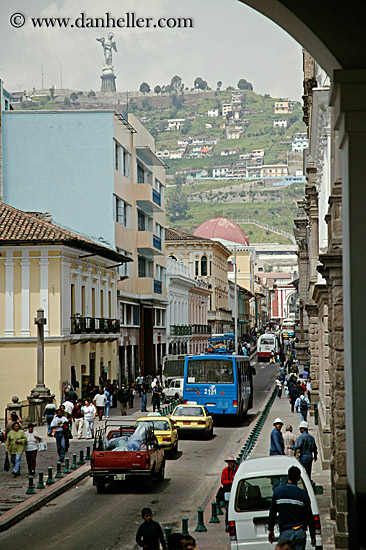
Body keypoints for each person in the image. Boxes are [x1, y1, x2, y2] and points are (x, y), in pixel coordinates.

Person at [268, 465, 315, 549]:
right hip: (299, 532)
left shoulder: (278, 492)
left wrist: (270, 530)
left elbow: (273, 513)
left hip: (285, 532)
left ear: (288, 476)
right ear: (299, 479)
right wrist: (313, 536)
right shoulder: (303, 495)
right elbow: (309, 516)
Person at [221, 454, 238, 531]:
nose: (230, 464)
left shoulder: (237, 469)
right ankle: (227, 525)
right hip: (228, 491)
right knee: (228, 509)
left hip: (235, 491)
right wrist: (230, 482)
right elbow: (223, 481)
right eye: (229, 462)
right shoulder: (225, 471)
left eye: (231, 462)